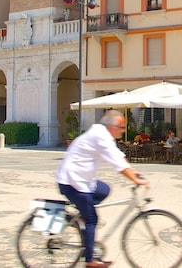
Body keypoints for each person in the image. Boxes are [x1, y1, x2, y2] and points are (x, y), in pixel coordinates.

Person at [56, 110, 147, 268]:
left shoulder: (103, 134)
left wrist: (133, 171)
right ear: (111, 126)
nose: (123, 130)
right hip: (72, 181)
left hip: (83, 179)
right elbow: (117, 165)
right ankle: (90, 260)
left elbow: (118, 156)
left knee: (104, 190)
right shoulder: (100, 136)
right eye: (121, 127)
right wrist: (135, 179)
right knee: (92, 219)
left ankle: (82, 217)